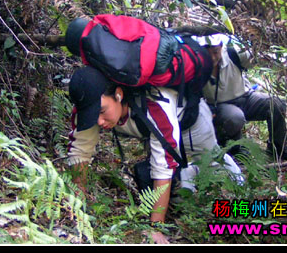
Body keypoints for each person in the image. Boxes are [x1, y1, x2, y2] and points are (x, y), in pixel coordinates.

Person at [67, 65, 243, 244]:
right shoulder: (89, 107)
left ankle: (229, 171)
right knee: (179, 197)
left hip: (191, 122)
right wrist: (77, 208)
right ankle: (186, 173)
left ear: (118, 95)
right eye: (91, 114)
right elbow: (80, 151)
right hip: (150, 127)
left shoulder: (155, 106)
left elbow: (162, 168)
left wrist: (156, 228)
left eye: (102, 111)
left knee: (216, 172)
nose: (98, 121)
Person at [195, 34, 287, 161]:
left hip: (245, 97)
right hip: (220, 107)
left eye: (215, 52)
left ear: (222, 47)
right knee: (234, 117)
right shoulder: (195, 67)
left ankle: (278, 149)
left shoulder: (234, 55)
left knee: (275, 104)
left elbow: (259, 57)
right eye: (207, 54)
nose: (212, 58)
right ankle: (235, 149)